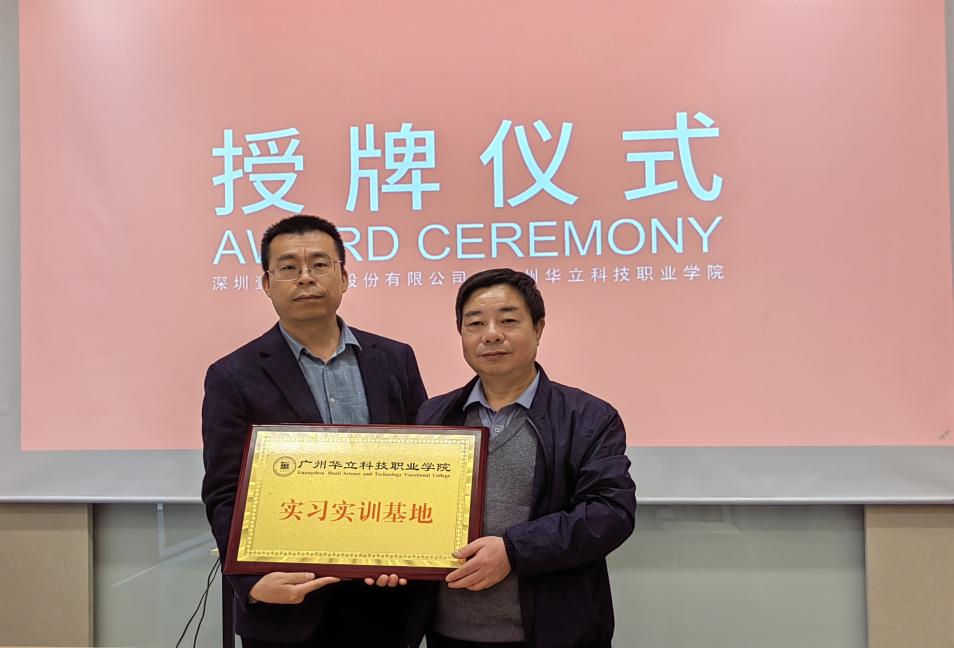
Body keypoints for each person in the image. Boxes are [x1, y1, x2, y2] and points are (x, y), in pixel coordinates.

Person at [201, 215, 427, 647]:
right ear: (267, 283)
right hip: (288, 602)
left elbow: (421, 464)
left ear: (344, 277)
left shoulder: (395, 359)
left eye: (320, 264)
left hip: (384, 598)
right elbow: (224, 491)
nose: (306, 277)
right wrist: (250, 581)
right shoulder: (233, 375)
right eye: (288, 267)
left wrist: (416, 552)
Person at [412, 268, 636, 648]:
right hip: (448, 631)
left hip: (554, 632)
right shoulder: (433, 415)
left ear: (538, 328)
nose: (491, 334)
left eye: (508, 321)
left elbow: (610, 513)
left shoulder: (588, 417)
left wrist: (514, 551)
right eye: (475, 323)